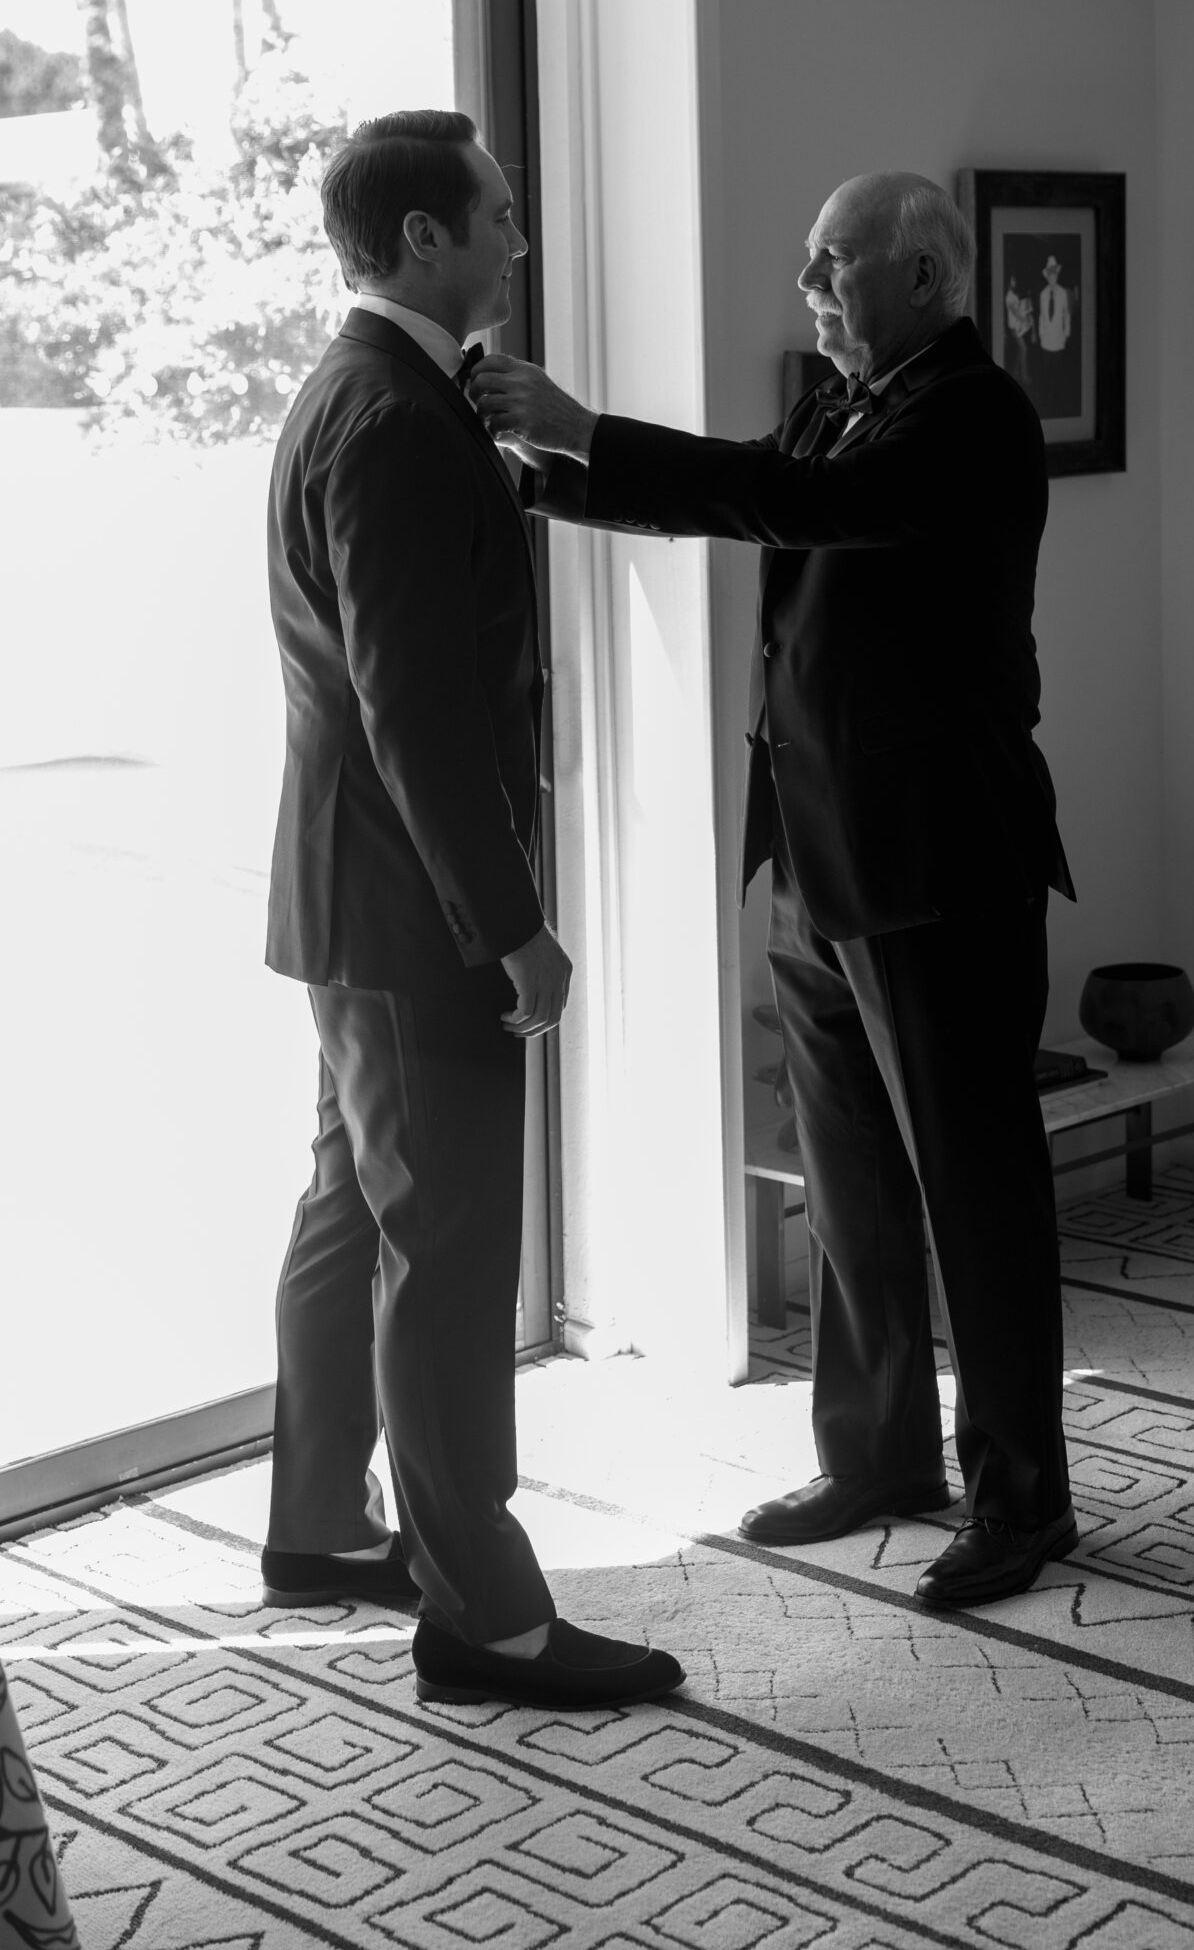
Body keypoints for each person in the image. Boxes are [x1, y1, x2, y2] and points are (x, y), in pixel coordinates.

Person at [470, 171, 1078, 1610]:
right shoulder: (837, 394)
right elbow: (756, 484)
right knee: (853, 1182)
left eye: (835, 262)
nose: (809, 283)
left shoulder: (974, 417)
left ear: (926, 277)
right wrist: (546, 479)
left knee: (977, 1194)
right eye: (810, 259)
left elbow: (806, 505)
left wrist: (585, 427)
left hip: (941, 862)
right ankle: (876, 1455)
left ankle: (1024, 1499)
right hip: (815, 850)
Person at [261, 108, 683, 1710]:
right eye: (498, 215)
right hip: (415, 915)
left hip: (350, 906)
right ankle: (488, 1620)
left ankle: (316, 1527)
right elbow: (414, 709)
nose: (517, 237)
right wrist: (511, 923)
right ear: (427, 238)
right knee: (442, 1258)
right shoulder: (389, 422)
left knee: (350, 1212)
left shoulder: (358, 392)